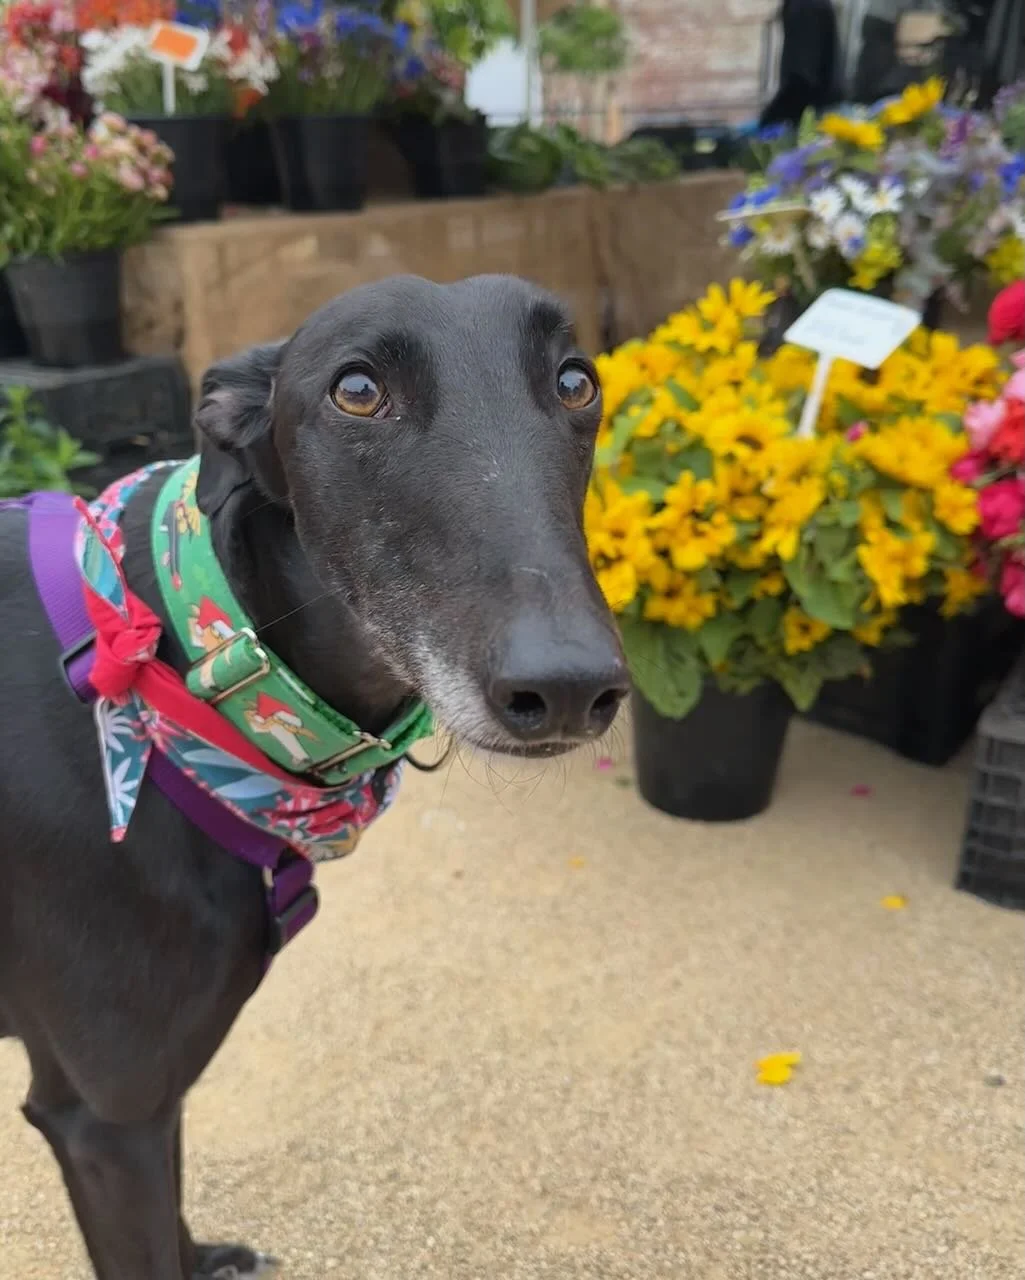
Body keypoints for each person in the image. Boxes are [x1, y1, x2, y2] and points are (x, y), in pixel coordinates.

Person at [759, 0, 843, 127]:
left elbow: (802, 77)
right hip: (818, 109)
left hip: (808, 117)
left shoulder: (804, 6)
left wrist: (769, 119)